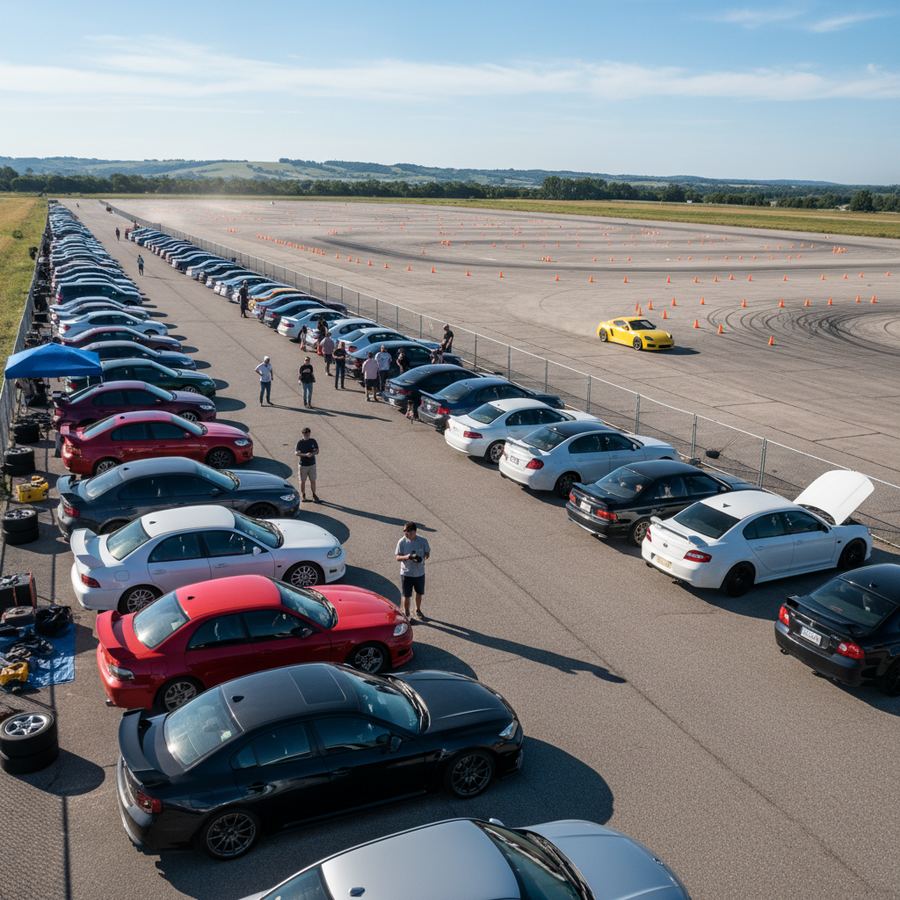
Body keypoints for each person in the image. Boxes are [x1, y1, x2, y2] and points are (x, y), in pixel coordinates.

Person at [395, 522, 431, 620]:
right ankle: (406, 613)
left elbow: (427, 553)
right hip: (406, 573)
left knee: (419, 593)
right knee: (407, 595)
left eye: (408, 532)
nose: (405, 534)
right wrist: (408, 557)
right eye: (404, 532)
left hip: (419, 573)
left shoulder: (423, 541)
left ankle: (417, 610)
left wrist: (422, 558)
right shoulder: (402, 542)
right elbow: (397, 557)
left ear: (414, 531)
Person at [295, 427, 320, 502]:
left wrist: (312, 454)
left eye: (308, 434)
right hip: (303, 466)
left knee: (313, 480)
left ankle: (314, 495)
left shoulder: (313, 441)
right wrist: (305, 455)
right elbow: (296, 453)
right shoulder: (300, 442)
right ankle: (303, 495)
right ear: (302, 434)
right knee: (303, 481)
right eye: (306, 435)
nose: (307, 436)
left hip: (312, 465)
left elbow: (317, 451)